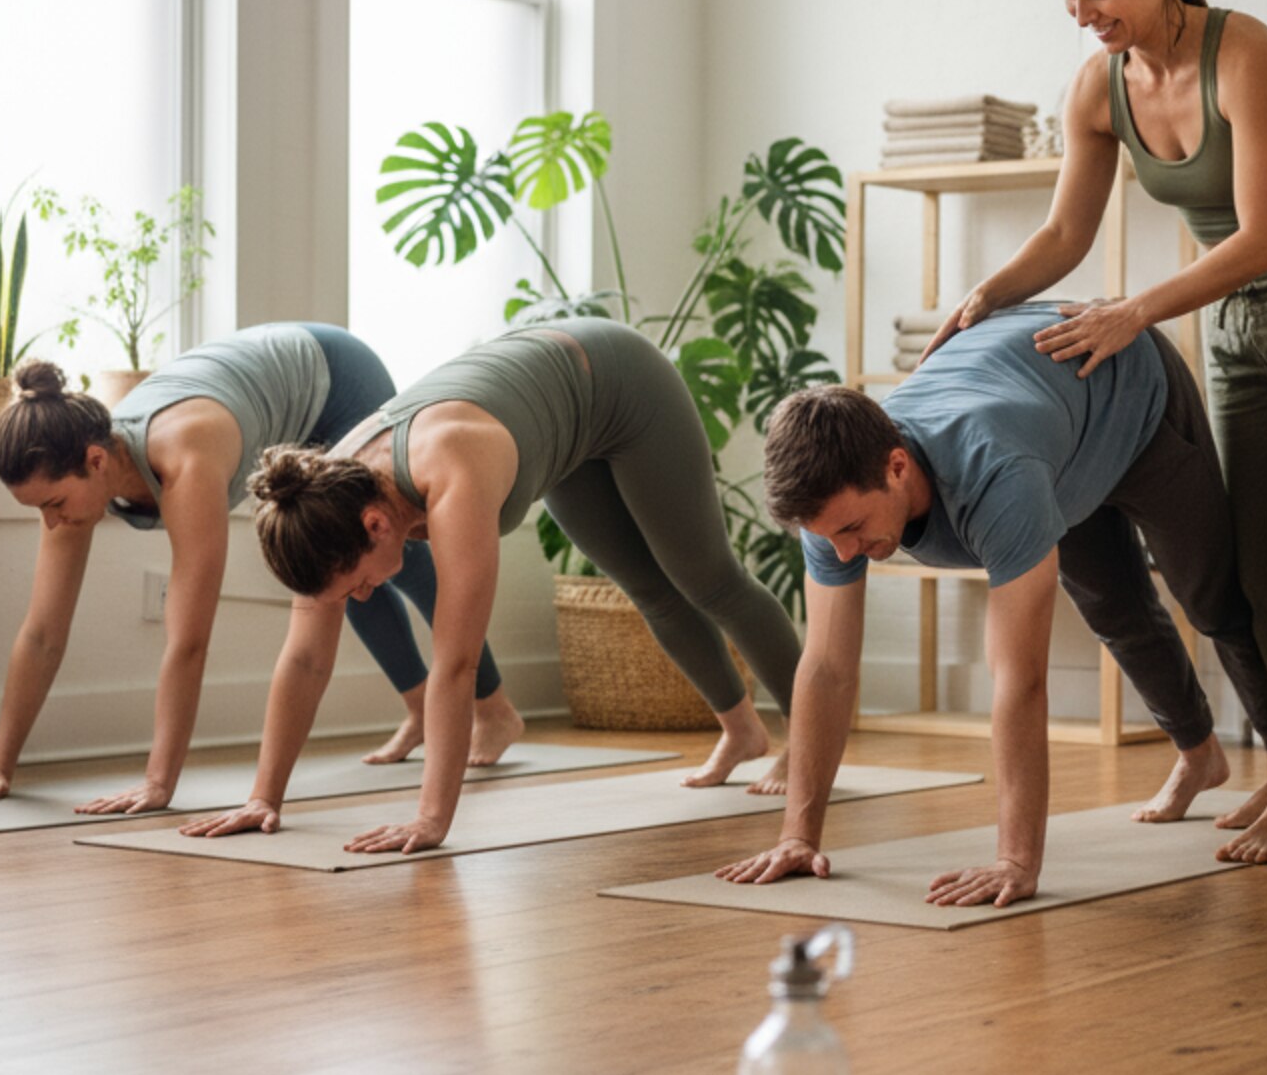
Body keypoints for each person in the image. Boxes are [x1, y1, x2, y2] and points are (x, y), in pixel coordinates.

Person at [923, 0, 1267, 862]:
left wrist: (1132, 310)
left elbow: (1264, 235)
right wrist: (984, 297)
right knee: (1249, 561)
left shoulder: (1248, 54)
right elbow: (1064, 231)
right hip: (1232, 325)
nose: (1081, 14)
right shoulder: (1098, 88)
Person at [714, 307, 1267, 907]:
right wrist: (798, 837)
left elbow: (1020, 678)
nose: (844, 551)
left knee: (1212, 598)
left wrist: (1015, 859)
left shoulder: (996, 472)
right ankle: (1201, 758)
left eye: (852, 529)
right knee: (1114, 609)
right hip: (1051, 426)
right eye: (829, 536)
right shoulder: (829, 504)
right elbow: (827, 667)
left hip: (1130, 390)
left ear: (897, 466)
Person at [179, 319, 801, 855]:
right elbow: (306, 657)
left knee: (709, 579)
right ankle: (742, 730)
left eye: (358, 585)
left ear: (375, 524)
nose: (363, 598)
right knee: (652, 590)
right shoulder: (320, 504)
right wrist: (264, 798)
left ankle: (807, 735)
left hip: (619, 381)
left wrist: (432, 818)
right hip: (564, 423)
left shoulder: (451, 468)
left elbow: (456, 664)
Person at [0, 326, 514, 814]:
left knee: (388, 552)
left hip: (335, 377)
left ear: (96, 461)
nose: (51, 523)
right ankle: (419, 711)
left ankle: (493, 712)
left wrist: (158, 783)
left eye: (51, 505)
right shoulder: (78, 476)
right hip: (272, 385)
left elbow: (189, 640)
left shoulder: (186, 457)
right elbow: (42, 632)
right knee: (336, 581)